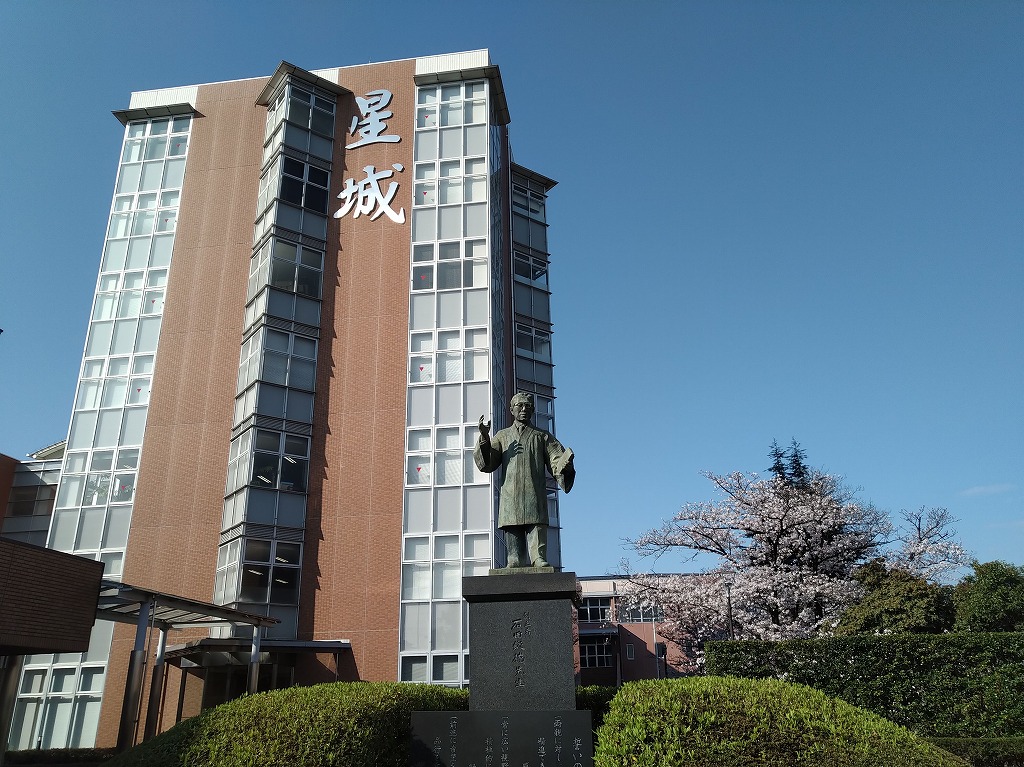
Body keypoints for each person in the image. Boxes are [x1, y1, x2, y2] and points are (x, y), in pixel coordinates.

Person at [474, 392, 575, 568]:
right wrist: (484, 438)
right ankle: (514, 557)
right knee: (512, 527)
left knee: (537, 524)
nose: (523, 409)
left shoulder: (542, 436)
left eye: (528, 406)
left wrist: (564, 464)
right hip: (510, 492)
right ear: (511, 410)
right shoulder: (502, 436)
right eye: (519, 405)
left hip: (534, 490)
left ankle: (538, 557)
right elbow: (489, 463)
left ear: (533, 410)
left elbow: (556, 460)